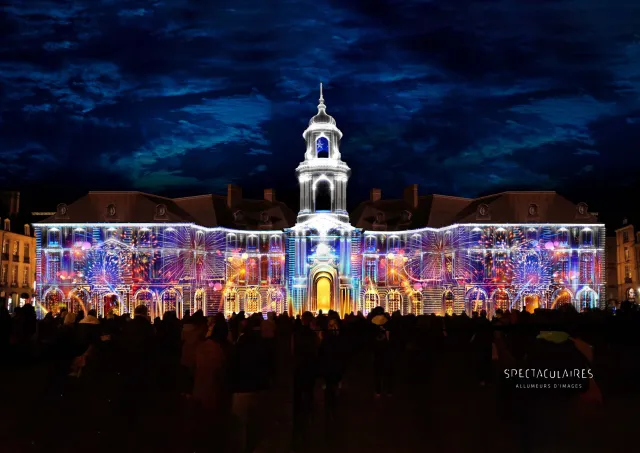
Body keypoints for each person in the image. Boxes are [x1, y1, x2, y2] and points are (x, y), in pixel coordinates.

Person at [292, 311, 318, 451]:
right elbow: (316, 349)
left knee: (298, 388)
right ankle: (308, 407)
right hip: (310, 366)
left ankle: (297, 411)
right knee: (308, 388)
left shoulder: (296, 334)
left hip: (299, 365)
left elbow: (292, 350)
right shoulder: (313, 335)